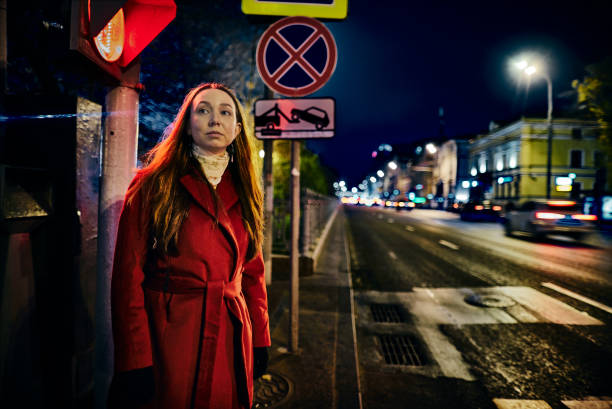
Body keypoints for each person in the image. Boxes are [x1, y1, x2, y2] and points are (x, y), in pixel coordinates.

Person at [108, 83, 270, 409]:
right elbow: (128, 277)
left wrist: (261, 339)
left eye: (226, 112)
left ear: (237, 129)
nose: (215, 120)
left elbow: (252, 272)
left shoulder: (246, 188)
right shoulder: (154, 183)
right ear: (187, 124)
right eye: (203, 110)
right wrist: (135, 359)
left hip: (231, 332)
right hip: (170, 333)